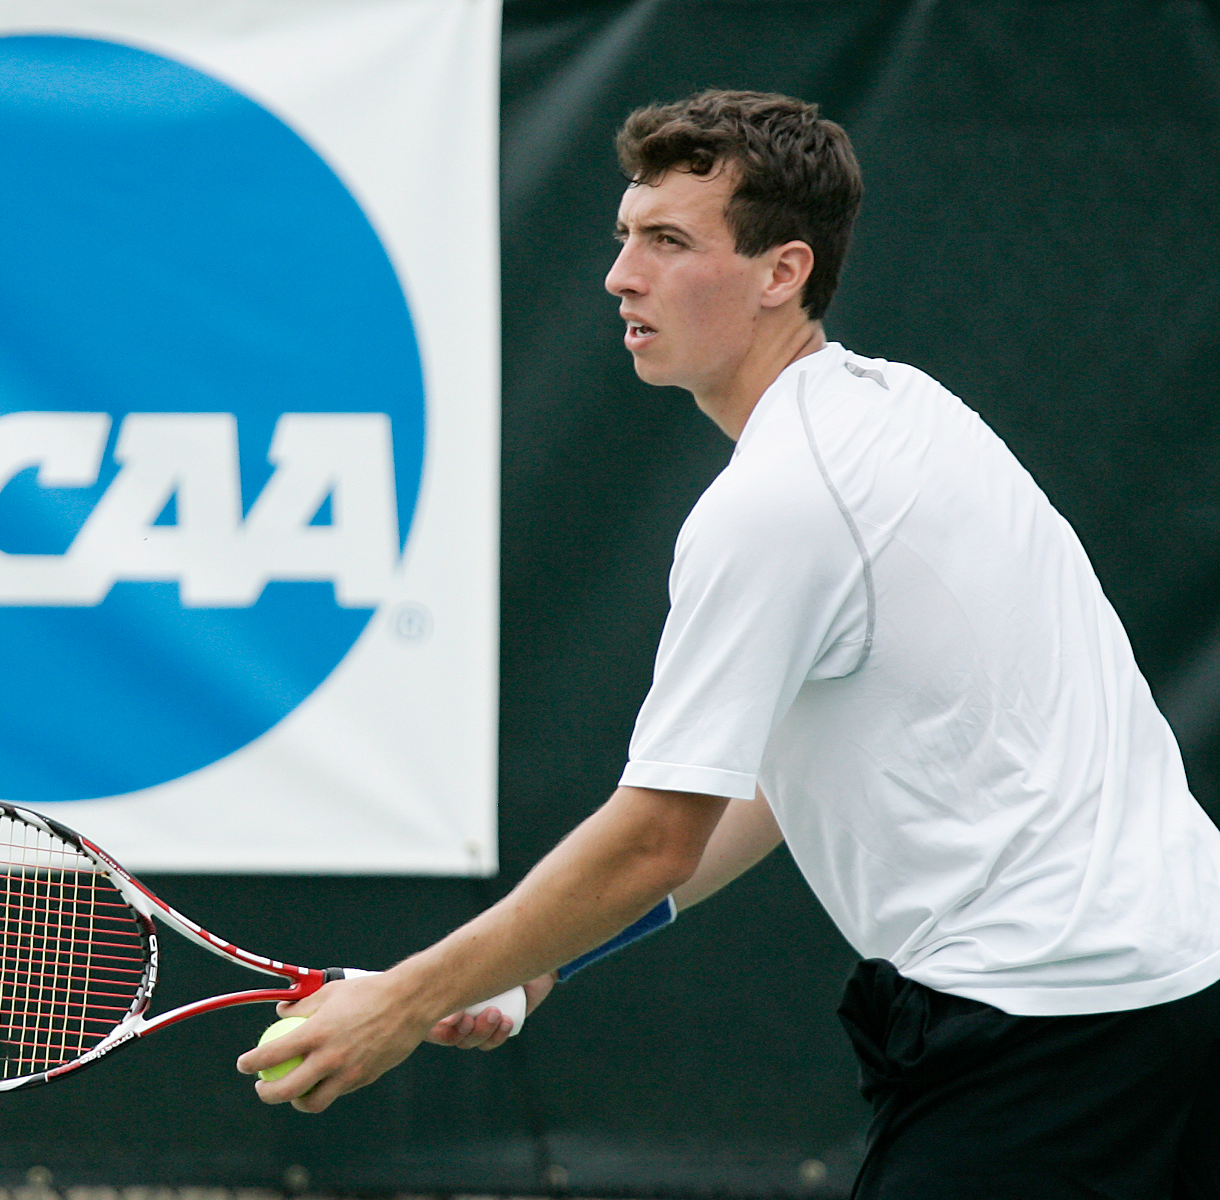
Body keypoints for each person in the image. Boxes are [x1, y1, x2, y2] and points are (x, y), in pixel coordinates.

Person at [235, 89, 1220, 1197]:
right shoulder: (904, 412)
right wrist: (535, 965)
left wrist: (404, 1000)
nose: (620, 275)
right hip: (1176, 982)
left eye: (667, 242)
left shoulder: (780, 502)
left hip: (1048, 1038)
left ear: (781, 271)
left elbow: (653, 838)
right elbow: (754, 790)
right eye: (623, 238)